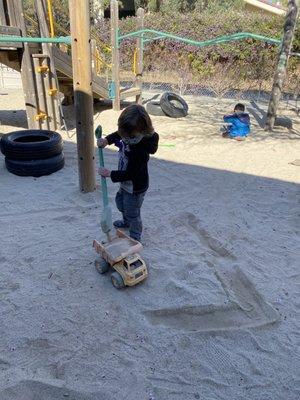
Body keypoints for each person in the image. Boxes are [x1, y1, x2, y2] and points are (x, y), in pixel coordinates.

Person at [97, 104, 159, 242]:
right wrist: (107, 140)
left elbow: (131, 173)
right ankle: (126, 222)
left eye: (129, 135)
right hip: (125, 184)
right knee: (120, 203)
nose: (125, 138)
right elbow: (119, 133)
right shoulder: (128, 133)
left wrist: (110, 173)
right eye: (124, 134)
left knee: (133, 212)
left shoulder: (140, 151)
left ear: (142, 130)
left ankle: (135, 235)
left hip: (135, 186)